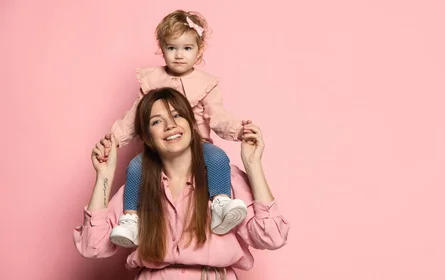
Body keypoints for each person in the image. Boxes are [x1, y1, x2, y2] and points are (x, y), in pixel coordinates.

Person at [75, 87, 290, 279]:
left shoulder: (224, 177)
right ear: (147, 136)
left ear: (191, 123)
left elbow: (272, 236)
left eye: (177, 115)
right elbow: (93, 246)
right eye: (156, 121)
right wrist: (104, 176)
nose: (170, 125)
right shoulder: (139, 185)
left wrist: (253, 166)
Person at [97, 10, 251, 248]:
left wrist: (239, 129)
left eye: (187, 48)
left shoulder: (205, 85)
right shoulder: (151, 81)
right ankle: (131, 219)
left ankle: (219, 202)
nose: (179, 55)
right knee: (136, 166)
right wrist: (114, 139)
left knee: (218, 157)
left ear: (199, 51)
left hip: (196, 146)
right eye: (172, 48)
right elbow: (133, 117)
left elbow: (218, 116)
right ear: (162, 48)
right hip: (160, 149)